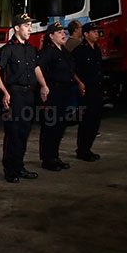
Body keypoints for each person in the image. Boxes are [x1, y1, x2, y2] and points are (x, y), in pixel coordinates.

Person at [0, 13, 49, 183]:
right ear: (17, 28)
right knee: (13, 133)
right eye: (26, 26)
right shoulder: (8, 49)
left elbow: (36, 68)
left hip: (29, 94)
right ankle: (10, 169)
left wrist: (44, 85)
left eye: (30, 26)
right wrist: (5, 92)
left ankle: (19, 166)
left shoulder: (31, 49)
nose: (30, 29)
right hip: (14, 94)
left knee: (24, 132)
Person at [37, 21, 75, 171]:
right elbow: (37, 67)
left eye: (64, 32)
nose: (63, 34)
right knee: (50, 126)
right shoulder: (48, 51)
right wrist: (43, 85)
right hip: (54, 92)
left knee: (60, 126)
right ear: (51, 36)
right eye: (59, 32)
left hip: (66, 91)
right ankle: (48, 159)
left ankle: (55, 156)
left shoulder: (64, 51)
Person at [72, 21, 102, 161]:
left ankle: (88, 148)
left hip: (97, 88)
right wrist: (79, 83)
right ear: (86, 34)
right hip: (85, 90)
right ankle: (82, 150)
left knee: (95, 120)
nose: (97, 34)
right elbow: (72, 70)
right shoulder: (80, 51)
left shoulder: (96, 49)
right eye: (94, 32)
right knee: (86, 121)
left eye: (97, 32)